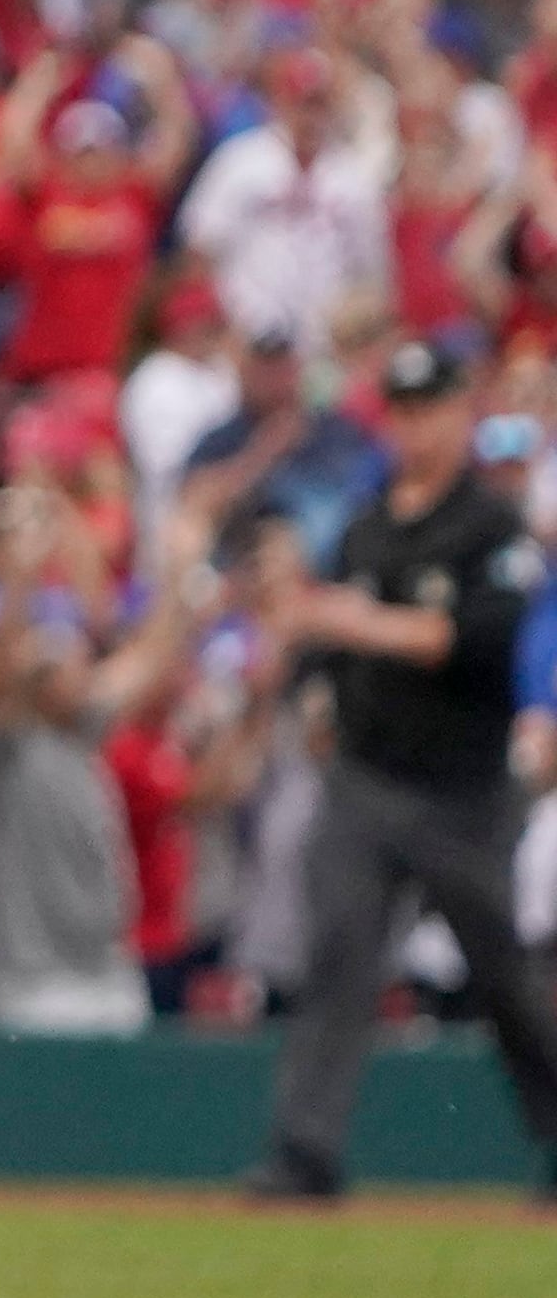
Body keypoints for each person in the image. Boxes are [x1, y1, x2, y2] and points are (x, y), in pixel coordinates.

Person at [250, 339, 557, 1201]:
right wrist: (318, 692)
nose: (417, 425)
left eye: (432, 407)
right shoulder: (366, 524)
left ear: (462, 411)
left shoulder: (489, 524)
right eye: (405, 409)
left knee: (504, 976)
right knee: (338, 956)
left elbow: (481, 640)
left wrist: (352, 621)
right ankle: (303, 1152)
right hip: (366, 778)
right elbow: (325, 646)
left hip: (463, 790)